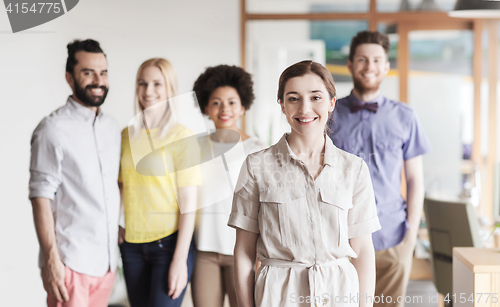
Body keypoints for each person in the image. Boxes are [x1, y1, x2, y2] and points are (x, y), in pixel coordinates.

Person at [229, 60, 381, 307]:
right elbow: (244, 252)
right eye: (293, 98)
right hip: (278, 296)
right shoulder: (256, 166)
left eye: (316, 97)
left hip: (339, 294)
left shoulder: (354, 169)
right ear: (282, 105)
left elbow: (363, 250)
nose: (305, 108)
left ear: (332, 102)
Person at [327, 31, 432, 307]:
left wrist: (409, 239)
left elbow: (414, 180)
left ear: (386, 67)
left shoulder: (404, 116)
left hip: (392, 236)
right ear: (350, 65)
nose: (369, 66)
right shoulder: (329, 116)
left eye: (376, 60)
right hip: (341, 239)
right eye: (362, 59)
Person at [29, 39, 120, 307]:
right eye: (88, 72)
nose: (98, 80)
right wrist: (51, 260)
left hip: (106, 264)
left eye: (103, 72)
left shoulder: (112, 128)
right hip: (70, 263)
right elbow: (40, 197)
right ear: (69, 77)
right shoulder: (52, 129)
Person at [118, 58, 201, 307]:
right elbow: (121, 188)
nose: (148, 91)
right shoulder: (126, 135)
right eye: (142, 83)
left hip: (169, 246)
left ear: (169, 89)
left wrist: (179, 259)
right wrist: (115, 226)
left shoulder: (182, 136)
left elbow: (189, 204)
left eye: (157, 83)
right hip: (132, 247)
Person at [191, 65, 265, 307]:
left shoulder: (258, 149)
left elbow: (264, 207)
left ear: (243, 106)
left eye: (232, 102)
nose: (225, 109)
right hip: (204, 251)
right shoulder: (193, 146)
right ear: (205, 107)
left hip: (243, 253)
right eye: (216, 102)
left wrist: (260, 257)